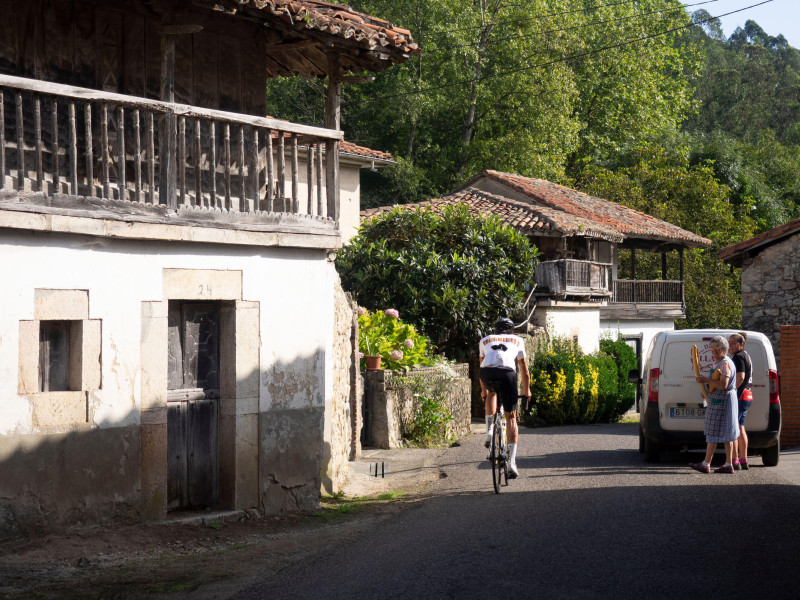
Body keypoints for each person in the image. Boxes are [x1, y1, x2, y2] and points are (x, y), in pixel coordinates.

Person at [479, 317, 531, 479]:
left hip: (486, 373)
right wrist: (527, 390)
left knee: (491, 393)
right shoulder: (517, 340)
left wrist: (483, 391)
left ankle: (488, 431)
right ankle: (512, 463)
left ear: (495, 330)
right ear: (512, 329)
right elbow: (524, 369)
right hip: (507, 373)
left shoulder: (484, 340)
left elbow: (482, 364)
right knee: (511, 417)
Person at [690, 335, 740, 474]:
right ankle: (728, 464)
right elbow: (717, 384)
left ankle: (706, 463)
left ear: (724, 349)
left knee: (715, 432)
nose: (714, 350)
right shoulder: (719, 362)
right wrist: (707, 392)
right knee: (727, 433)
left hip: (723, 401)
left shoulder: (725, 363)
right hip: (721, 400)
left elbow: (723, 385)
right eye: (712, 348)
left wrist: (705, 380)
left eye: (717, 348)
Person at [729, 332, 753, 470]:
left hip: (739, 396)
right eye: (729, 343)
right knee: (740, 428)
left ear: (741, 344)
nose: (730, 346)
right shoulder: (746, 355)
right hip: (747, 395)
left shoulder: (738, 357)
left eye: (733, 343)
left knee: (734, 429)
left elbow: (741, 376)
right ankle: (743, 460)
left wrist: (730, 391)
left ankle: (735, 460)